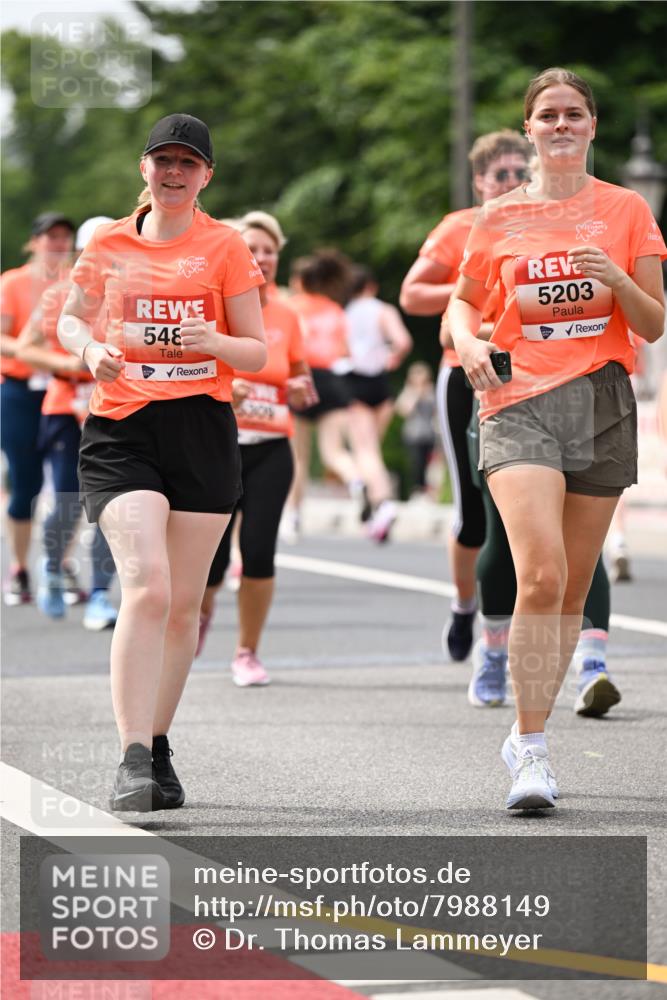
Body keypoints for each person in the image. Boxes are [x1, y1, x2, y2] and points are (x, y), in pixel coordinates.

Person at [449, 68, 666, 810]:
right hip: (516, 398)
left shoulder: (626, 209)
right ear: (530, 128)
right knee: (538, 574)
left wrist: (614, 275)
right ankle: (531, 750)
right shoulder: (499, 216)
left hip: (601, 399)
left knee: (572, 587)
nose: (561, 124)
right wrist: (466, 344)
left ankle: (528, 733)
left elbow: (650, 323)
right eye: (548, 115)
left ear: (592, 127)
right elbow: (460, 304)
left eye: (574, 113)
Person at [57, 114, 266, 811]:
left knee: (181, 607)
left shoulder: (225, 247)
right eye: (162, 160)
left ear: (206, 175)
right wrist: (90, 351)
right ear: (142, 168)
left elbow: (256, 353)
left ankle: (159, 740)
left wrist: (212, 339)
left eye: (188, 163)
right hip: (121, 429)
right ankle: (132, 757)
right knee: (146, 586)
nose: (174, 173)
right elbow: (70, 317)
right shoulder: (109, 243)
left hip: (201, 429)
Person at [401, 131, 531, 659]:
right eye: (500, 174)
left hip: (526, 370)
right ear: (479, 181)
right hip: (463, 370)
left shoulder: (541, 224)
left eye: (520, 173)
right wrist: (468, 285)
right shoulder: (459, 228)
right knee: (473, 511)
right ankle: (462, 606)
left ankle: (510, 623)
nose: (511, 182)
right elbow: (412, 294)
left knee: (519, 507)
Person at [196, 210, 314, 684]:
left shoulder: (287, 314)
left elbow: (299, 368)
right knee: (213, 558)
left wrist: (302, 385)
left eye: (270, 250)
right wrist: (227, 387)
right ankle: (196, 619)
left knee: (260, 552)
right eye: (252, 249)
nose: (262, 257)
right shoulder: (210, 305)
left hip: (271, 447)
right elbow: (185, 369)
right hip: (218, 444)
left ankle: (247, 652)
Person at [15, 217, 119, 629]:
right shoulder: (60, 295)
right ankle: (54, 567)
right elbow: (25, 347)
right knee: (68, 500)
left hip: (114, 410)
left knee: (110, 506)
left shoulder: (134, 296)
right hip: (64, 406)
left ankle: (98, 596)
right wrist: (67, 360)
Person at [1, 212, 75, 605]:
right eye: (51, 238)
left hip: (65, 391)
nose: (58, 244)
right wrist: (37, 353)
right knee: (25, 481)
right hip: (21, 390)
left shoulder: (75, 285)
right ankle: (19, 567)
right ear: (34, 242)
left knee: (69, 484)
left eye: (65, 237)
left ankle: (59, 563)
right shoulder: (13, 282)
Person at [282, 250, 358, 540]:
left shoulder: (292, 306)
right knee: (334, 451)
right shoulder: (335, 310)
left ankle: (293, 516)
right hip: (331, 380)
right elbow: (344, 351)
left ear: (300, 280)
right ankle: (356, 481)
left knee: (298, 456)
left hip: (300, 378)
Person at [345, 265, 412, 541]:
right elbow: (403, 341)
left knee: (365, 450)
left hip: (354, 379)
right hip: (380, 382)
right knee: (373, 450)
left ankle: (383, 502)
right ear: (370, 286)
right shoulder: (383, 310)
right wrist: (391, 358)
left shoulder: (344, 314)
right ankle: (373, 511)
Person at [395, 362, 437, 496]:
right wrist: (416, 393)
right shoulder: (408, 391)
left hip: (429, 434)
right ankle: (416, 490)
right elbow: (403, 410)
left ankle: (427, 491)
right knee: (415, 464)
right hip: (413, 435)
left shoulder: (431, 390)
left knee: (430, 465)